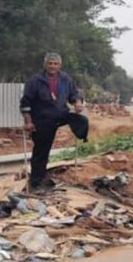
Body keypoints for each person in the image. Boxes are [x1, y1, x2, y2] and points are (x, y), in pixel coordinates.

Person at [20, 53, 85, 191]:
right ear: (45, 65)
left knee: (81, 120)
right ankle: (36, 182)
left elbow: (74, 94)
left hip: (61, 114)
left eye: (55, 64)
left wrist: (78, 102)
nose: (52, 66)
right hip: (43, 119)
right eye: (50, 63)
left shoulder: (65, 78)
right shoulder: (36, 80)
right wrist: (28, 121)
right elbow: (26, 102)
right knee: (42, 151)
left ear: (60, 65)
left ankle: (83, 140)